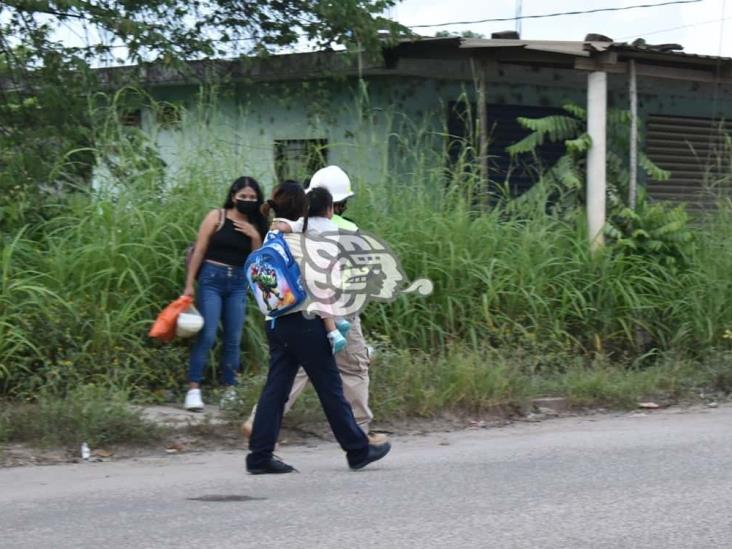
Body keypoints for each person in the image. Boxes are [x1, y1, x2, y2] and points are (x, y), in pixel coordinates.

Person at [246, 181, 391, 474]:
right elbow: (321, 288)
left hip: (276, 322)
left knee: (275, 390)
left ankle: (259, 456)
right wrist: (331, 327)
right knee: (331, 389)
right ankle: (358, 450)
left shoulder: (272, 237)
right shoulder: (307, 242)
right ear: (303, 209)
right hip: (307, 324)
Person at [182, 176, 268, 412]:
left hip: (239, 282)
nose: (247, 201)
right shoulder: (217, 216)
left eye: (252, 197)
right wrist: (189, 284)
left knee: (233, 337)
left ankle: (230, 389)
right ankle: (193, 388)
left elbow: (257, 261)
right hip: (212, 278)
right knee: (208, 334)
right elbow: (199, 250)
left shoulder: (256, 223)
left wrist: (255, 236)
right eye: (243, 196)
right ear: (233, 196)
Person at [270, 186, 351, 354]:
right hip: (334, 268)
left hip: (316, 270)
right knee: (330, 296)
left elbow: (288, 227)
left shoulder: (306, 223)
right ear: (330, 209)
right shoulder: (333, 226)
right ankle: (340, 319)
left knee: (322, 302)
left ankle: (333, 333)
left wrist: (276, 225)